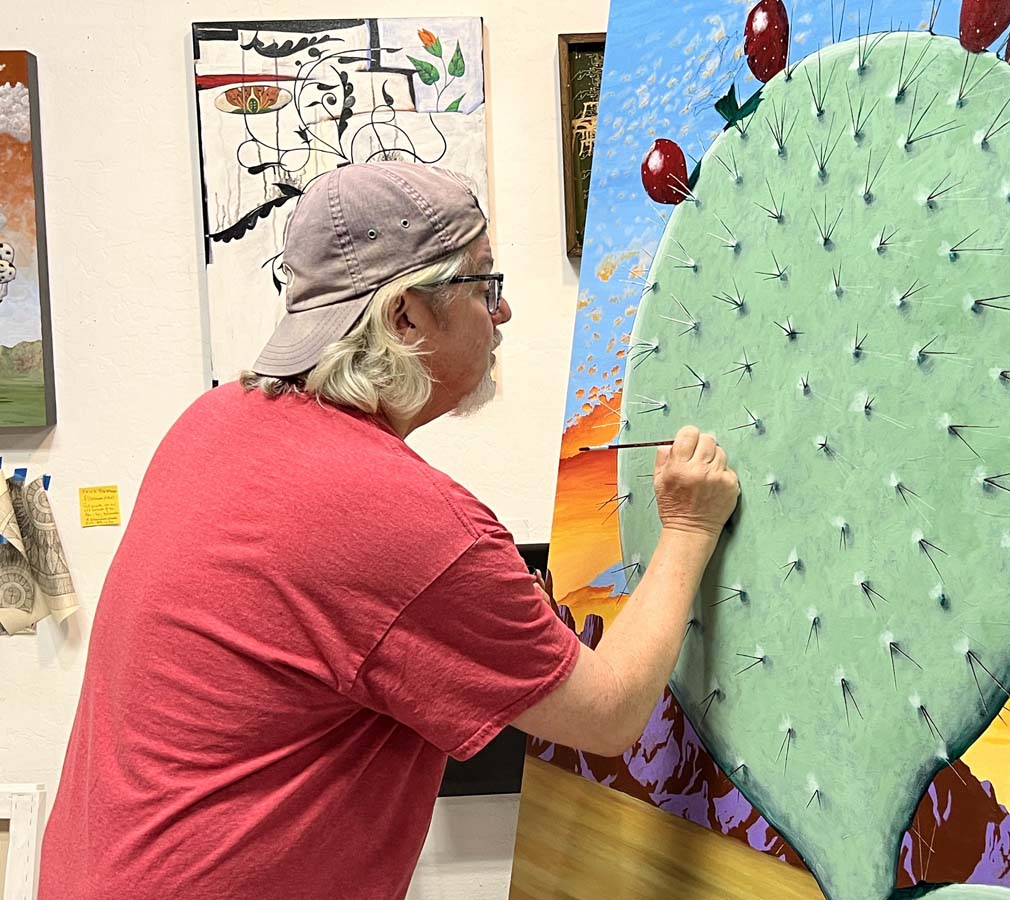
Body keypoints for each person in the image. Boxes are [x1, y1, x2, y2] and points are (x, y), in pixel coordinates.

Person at [38, 161, 740, 899]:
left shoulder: (211, 422)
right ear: (404, 316)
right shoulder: (413, 528)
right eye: (483, 284)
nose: (502, 314)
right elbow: (612, 711)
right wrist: (689, 526)